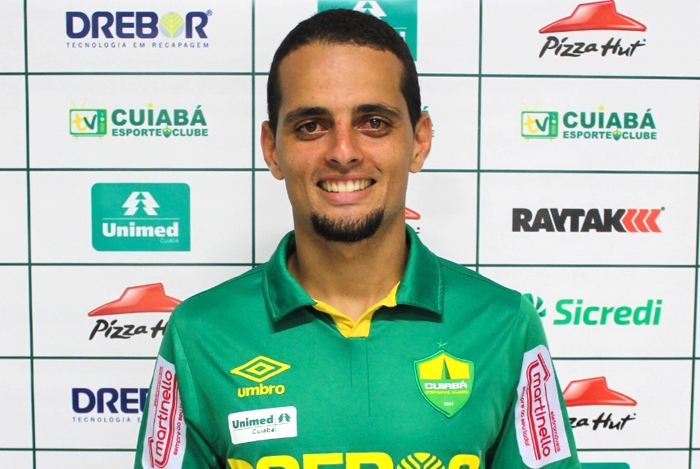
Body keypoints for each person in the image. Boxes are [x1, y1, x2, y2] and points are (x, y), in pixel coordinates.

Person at [134, 9, 581, 469]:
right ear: (272, 149)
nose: (343, 152)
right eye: (311, 126)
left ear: (419, 141)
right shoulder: (200, 333)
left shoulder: (504, 323)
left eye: (374, 123)